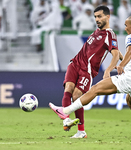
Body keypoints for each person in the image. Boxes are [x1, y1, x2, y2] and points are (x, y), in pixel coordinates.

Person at [50, 5, 123, 138]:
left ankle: (81, 131)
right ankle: (66, 120)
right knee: (68, 88)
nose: (97, 19)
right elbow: (118, 53)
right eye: (95, 17)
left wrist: (110, 69)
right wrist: (122, 62)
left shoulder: (109, 34)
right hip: (75, 63)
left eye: (99, 16)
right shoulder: (97, 31)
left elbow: (116, 53)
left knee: (77, 96)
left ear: (108, 17)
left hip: (87, 70)